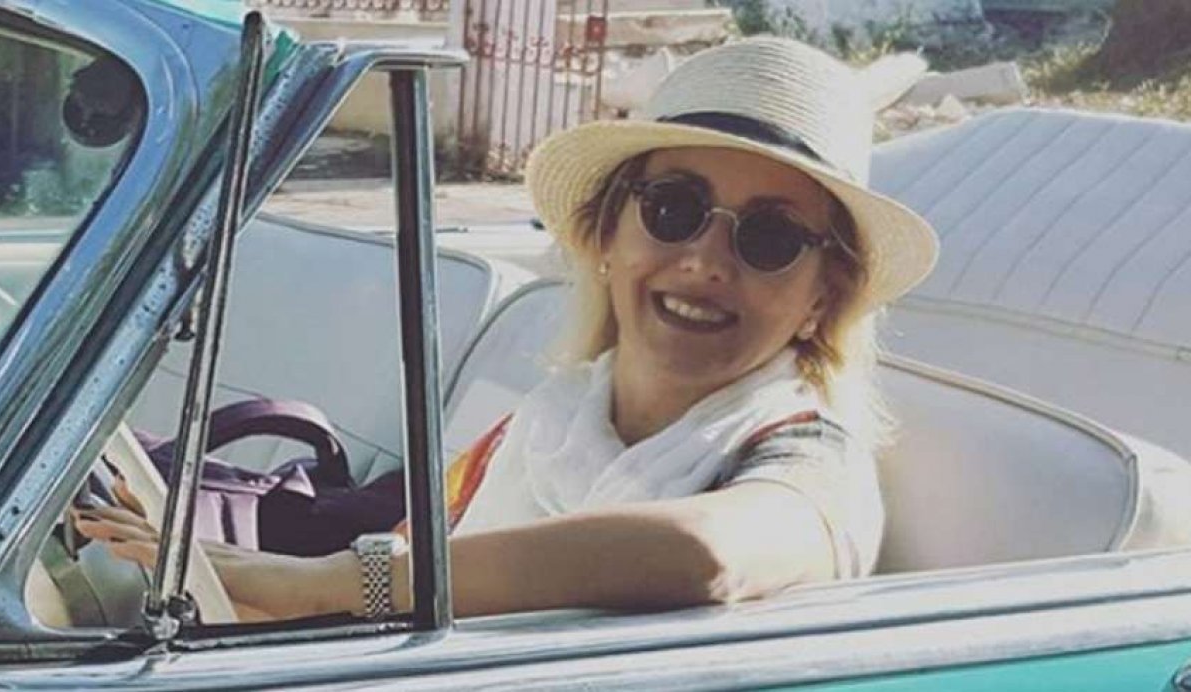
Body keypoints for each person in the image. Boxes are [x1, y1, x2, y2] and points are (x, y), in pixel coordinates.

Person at [76, 36, 938, 621]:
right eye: (674, 209)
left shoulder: (810, 461)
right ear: (608, 235)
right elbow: (419, 565)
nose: (707, 262)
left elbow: (707, 553)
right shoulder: (554, 418)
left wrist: (323, 584)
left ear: (824, 295)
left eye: (770, 237)